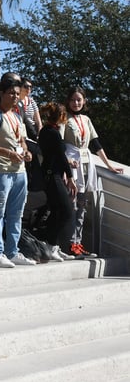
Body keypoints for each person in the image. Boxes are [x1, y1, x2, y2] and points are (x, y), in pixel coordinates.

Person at [0, 75, 36, 268]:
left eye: (17, 94)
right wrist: (6, 153)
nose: (14, 97)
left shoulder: (18, 116)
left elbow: (23, 142)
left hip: (19, 171)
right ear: (1, 93)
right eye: (11, 93)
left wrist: (26, 154)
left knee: (16, 213)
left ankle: (13, 251)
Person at [63, 86, 123, 257]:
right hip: (72, 165)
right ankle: (69, 244)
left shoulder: (86, 119)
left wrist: (109, 165)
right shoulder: (64, 118)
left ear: (84, 101)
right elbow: (59, 143)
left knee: (82, 206)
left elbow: (95, 144)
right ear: (68, 101)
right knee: (72, 205)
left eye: (79, 100)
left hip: (85, 164)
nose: (76, 103)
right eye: (73, 100)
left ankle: (78, 243)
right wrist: (66, 163)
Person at [38, 102, 76, 262]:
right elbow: (60, 157)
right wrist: (71, 177)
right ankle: (50, 244)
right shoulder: (52, 133)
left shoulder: (46, 131)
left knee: (57, 211)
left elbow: (56, 155)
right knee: (66, 210)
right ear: (60, 116)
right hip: (52, 175)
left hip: (51, 175)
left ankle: (53, 246)